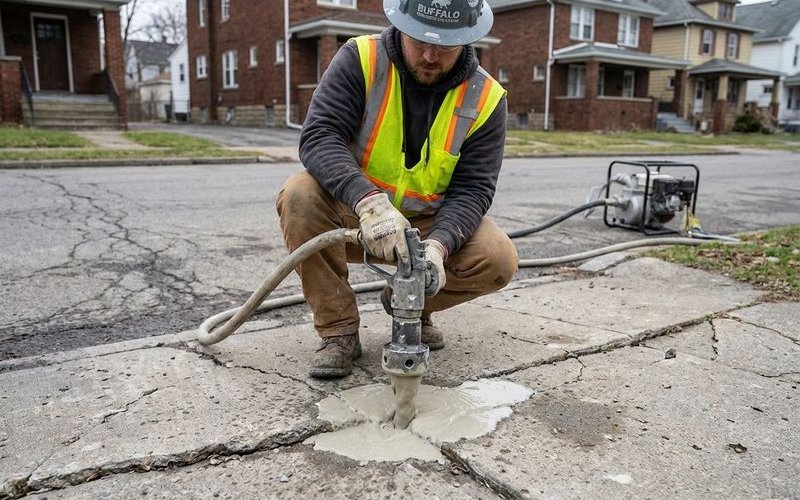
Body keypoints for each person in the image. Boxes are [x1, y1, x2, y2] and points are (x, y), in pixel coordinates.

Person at [276, 0, 518, 379]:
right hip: (356, 217)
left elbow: (473, 189)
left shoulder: (485, 97)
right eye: (419, 40)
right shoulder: (361, 59)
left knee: (497, 258)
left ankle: (411, 304)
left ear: (467, 37)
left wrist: (439, 248)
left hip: (427, 228)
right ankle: (339, 331)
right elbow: (320, 136)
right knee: (299, 195)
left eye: (445, 45)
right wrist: (369, 203)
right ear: (401, 26)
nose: (430, 55)